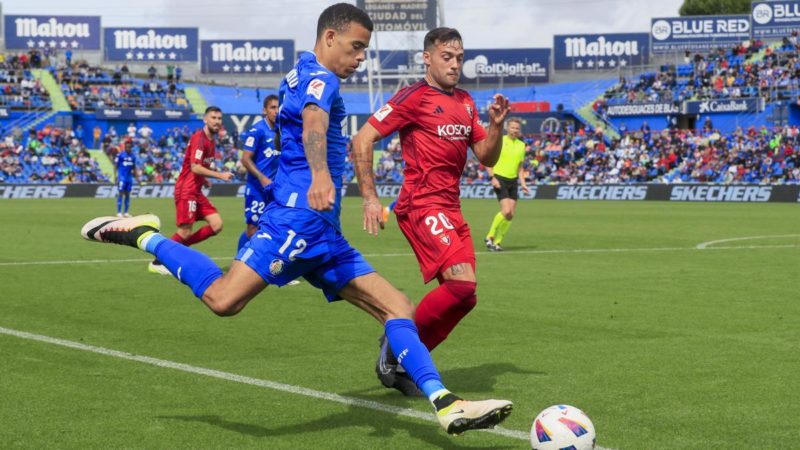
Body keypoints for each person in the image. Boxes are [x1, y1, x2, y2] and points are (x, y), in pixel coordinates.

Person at [81, 4, 511, 435]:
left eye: (364, 49)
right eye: (355, 47)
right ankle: (144, 235)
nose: (361, 58)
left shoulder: (302, 69)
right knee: (224, 300)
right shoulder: (322, 78)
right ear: (330, 38)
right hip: (297, 221)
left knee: (398, 308)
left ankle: (446, 403)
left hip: (323, 230)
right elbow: (313, 121)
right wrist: (321, 174)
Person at [351, 27, 510, 396]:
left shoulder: (466, 102)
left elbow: (486, 157)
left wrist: (495, 126)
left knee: (465, 297)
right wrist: (370, 198)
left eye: (459, 58)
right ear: (427, 58)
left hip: (451, 208)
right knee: (462, 284)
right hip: (421, 205)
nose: (455, 65)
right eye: (447, 57)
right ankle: (396, 345)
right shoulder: (413, 97)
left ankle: (402, 352)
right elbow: (362, 139)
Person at [148, 106, 234, 275]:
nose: (217, 121)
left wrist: (205, 179)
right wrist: (220, 175)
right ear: (205, 119)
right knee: (185, 231)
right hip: (186, 190)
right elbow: (195, 167)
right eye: (213, 118)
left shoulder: (211, 140)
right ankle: (158, 262)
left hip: (196, 191)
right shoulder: (200, 139)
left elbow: (195, 165)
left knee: (216, 224)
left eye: (219, 118)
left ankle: (177, 250)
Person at [238, 95, 280, 251]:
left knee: (275, 227)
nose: (276, 111)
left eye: (278, 107)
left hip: (276, 189)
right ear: (264, 110)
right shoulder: (257, 131)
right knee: (253, 229)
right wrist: (262, 178)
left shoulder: (283, 131)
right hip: (257, 188)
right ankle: (241, 259)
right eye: (272, 107)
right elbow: (245, 159)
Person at [485, 117, 530, 252]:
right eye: (512, 127)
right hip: (500, 179)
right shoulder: (500, 141)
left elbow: (520, 168)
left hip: (513, 181)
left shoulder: (521, 145)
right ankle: (490, 236)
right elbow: (487, 160)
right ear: (507, 128)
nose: (515, 130)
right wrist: (492, 177)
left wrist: (523, 184)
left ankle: (497, 242)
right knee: (506, 211)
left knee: (510, 215)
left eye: (517, 128)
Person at [114, 143, 137, 217]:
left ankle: (126, 212)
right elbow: (115, 166)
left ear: (131, 148)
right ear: (124, 148)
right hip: (122, 178)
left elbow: (134, 167)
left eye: (129, 147)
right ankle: (119, 212)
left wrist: (137, 177)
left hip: (129, 178)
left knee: (127, 194)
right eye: (126, 147)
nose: (128, 148)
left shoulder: (133, 156)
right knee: (121, 194)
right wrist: (115, 176)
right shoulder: (120, 155)